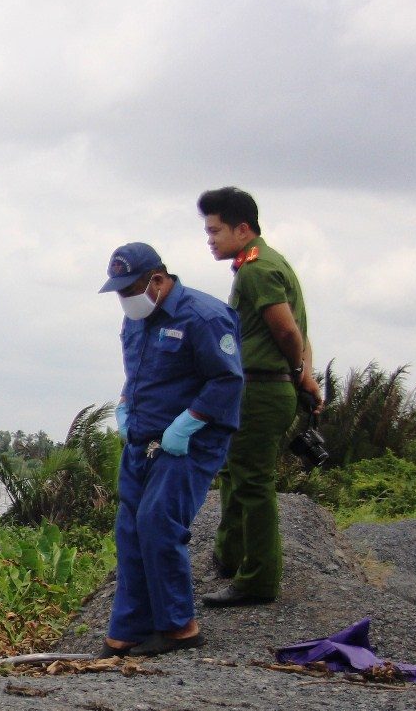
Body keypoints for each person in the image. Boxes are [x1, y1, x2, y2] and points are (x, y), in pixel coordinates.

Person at [99, 242, 243, 657]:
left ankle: (180, 627)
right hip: (142, 438)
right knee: (129, 531)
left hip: (190, 439)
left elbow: (228, 380)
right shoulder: (135, 321)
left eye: (132, 289)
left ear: (158, 280)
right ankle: (128, 629)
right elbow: (140, 373)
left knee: (158, 523)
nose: (126, 299)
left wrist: (188, 422)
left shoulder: (204, 316)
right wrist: (126, 405)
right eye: (120, 292)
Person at [197, 187, 320, 608]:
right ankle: (230, 558)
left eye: (215, 230)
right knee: (235, 473)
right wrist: (306, 373)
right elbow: (300, 331)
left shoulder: (256, 270)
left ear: (242, 228)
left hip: (263, 387)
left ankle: (258, 580)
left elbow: (287, 330)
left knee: (253, 484)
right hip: (262, 385)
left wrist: (301, 374)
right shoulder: (270, 262)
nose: (209, 238)